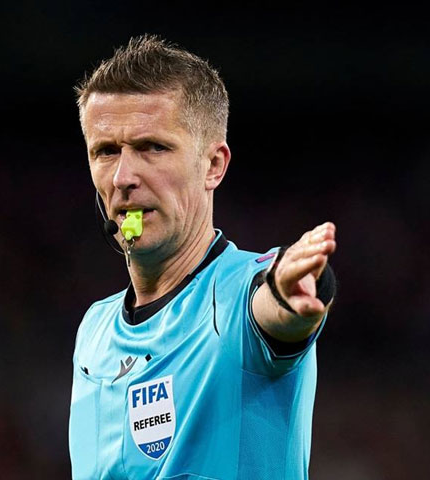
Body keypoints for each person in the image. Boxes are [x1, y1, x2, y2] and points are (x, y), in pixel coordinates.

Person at [69, 34, 337, 480]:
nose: (123, 177)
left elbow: (272, 308)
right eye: (106, 151)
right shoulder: (93, 332)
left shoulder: (237, 298)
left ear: (213, 165)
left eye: (153, 147)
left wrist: (288, 292)